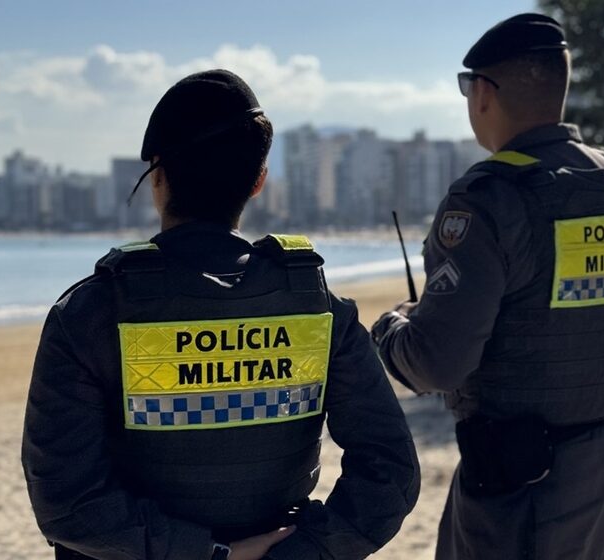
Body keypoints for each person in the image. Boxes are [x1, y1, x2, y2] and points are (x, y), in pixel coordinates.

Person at [22, 70, 420, 560]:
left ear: (159, 174)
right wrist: (302, 551)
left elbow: (68, 504)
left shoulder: (90, 315)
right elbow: (391, 474)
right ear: (258, 183)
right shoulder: (318, 308)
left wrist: (212, 554)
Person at [371, 13, 604, 560]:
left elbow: (436, 363)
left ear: (482, 92)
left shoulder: (489, 198)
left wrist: (391, 327)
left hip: (520, 494)